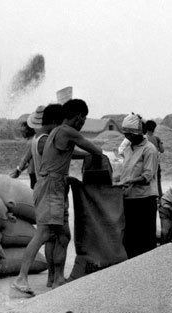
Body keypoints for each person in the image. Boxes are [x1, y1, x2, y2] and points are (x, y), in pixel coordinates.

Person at [12, 98, 103, 296]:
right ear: (78, 117)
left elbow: (71, 153)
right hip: (51, 187)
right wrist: (99, 155)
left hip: (56, 185)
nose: (83, 123)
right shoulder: (66, 131)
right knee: (44, 233)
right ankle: (20, 279)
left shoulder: (57, 133)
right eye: (84, 119)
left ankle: (58, 280)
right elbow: (93, 149)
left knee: (63, 235)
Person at [114, 113, 159, 258]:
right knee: (130, 238)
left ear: (138, 133)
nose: (128, 137)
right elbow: (126, 170)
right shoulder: (128, 148)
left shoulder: (149, 149)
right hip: (129, 197)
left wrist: (131, 181)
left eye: (130, 135)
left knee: (145, 239)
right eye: (126, 135)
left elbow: (147, 176)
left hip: (144, 199)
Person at [9, 105, 42, 188]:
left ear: (27, 131)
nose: (22, 134)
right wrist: (19, 170)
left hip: (34, 172)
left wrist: (18, 170)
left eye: (23, 132)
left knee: (33, 189)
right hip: (37, 171)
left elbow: (26, 158)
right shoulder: (35, 139)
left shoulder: (31, 142)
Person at [144, 119, 164, 198]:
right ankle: (159, 196)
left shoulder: (144, 138)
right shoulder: (157, 138)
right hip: (157, 163)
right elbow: (162, 150)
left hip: (147, 164)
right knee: (158, 180)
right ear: (154, 128)